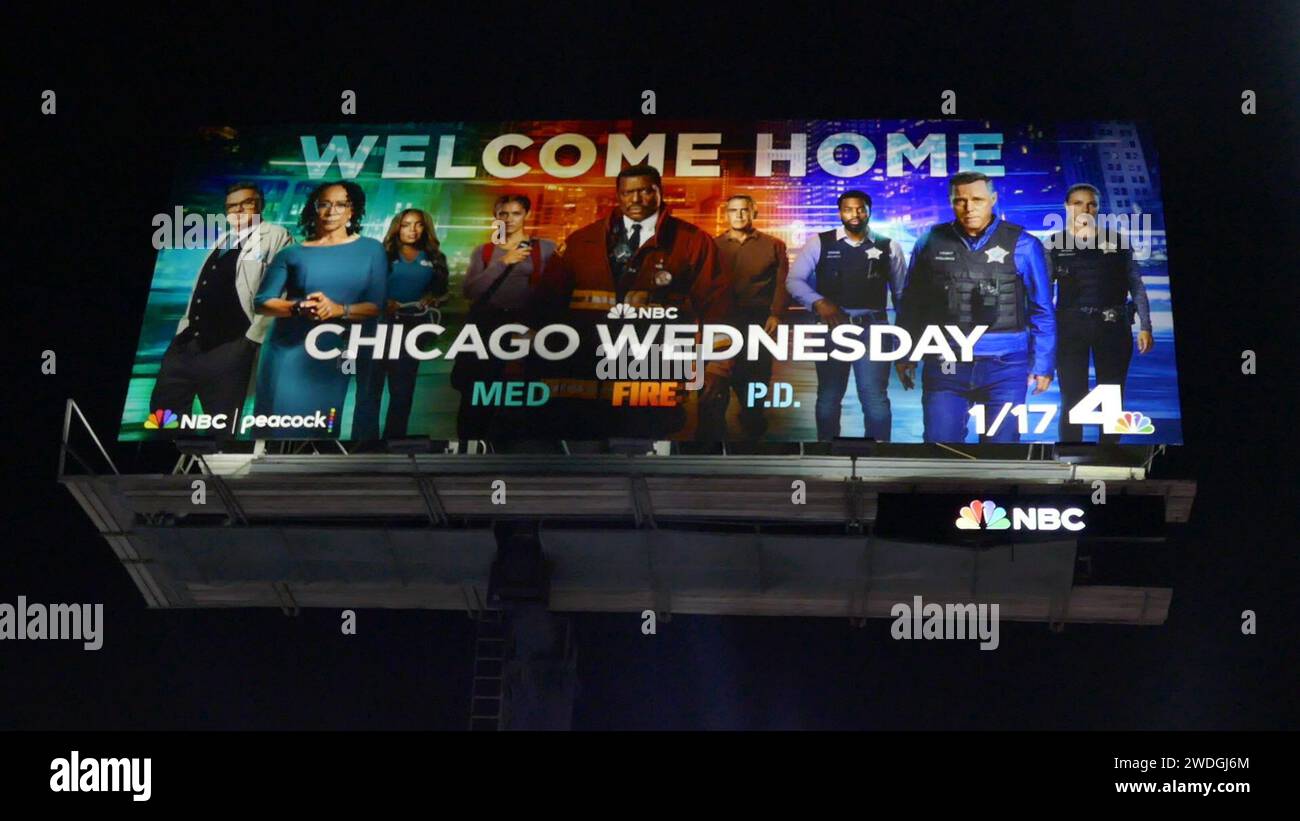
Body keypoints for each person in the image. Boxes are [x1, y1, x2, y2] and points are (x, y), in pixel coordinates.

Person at [534, 163, 732, 440]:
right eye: (628, 193)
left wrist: (717, 366)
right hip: (583, 380)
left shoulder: (692, 242)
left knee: (647, 458)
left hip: (652, 377)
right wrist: (524, 362)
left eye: (644, 192)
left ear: (660, 193)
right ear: (618, 195)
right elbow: (546, 306)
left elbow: (717, 307)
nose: (636, 200)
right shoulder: (582, 241)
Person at [896, 172, 1055, 443]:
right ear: (951, 202)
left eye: (977, 199)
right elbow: (912, 302)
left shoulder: (1024, 245)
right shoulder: (929, 242)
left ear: (992, 199)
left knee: (1001, 454)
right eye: (961, 200)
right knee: (940, 451)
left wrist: (1043, 364)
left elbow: (1042, 309)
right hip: (945, 360)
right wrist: (905, 353)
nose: (969, 208)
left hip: (1006, 366)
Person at [149, 182, 292, 431]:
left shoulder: (276, 235)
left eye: (246, 203)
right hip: (188, 344)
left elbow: (287, 287)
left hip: (232, 345)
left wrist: (251, 339)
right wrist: (182, 331)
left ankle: (214, 464)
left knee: (222, 422)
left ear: (260, 206)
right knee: (163, 413)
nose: (238, 210)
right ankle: (177, 457)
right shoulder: (224, 239)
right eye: (231, 206)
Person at [253, 181, 386, 438]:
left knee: (320, 430)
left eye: (340, 204)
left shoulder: (372, 250)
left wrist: (339, 310)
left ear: (352, 210)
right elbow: (262, 302)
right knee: (273, 429)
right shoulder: (291, 252)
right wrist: (298, 307)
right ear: (314, 208)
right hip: (286, 351)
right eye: (324, 203)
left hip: (332, 353)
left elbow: (375, 306)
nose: (331, 210)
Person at [787, 190, 907, 441]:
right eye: (848, 209)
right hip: (831, 329)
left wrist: (904, 346)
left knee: (874, 397)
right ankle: (826, 454)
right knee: (829, 396)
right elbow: (794, 280)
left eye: (861, 208)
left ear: (870, 211)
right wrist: (818, 302)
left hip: (874, 330)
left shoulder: (888, 246)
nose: (855, 214)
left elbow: (901, 296)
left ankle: (879, 457)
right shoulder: (820, 242)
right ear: (840, 212)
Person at [1049, 183, 1154, 443]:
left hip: (1113, 327)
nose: (1085, 209)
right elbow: (1040, 293)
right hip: (1070, 328)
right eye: (1078, 203)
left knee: (1112, 396)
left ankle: (1109, 456)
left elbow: (1136, 285)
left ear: (1098, 207)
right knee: (1072, 396)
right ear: (1067, 207)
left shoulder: (1117, 241)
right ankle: (1069, 456)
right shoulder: (1052, 243)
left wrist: (1146, 326)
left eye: (1091, 204)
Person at [454, 194, 557, 439]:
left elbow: (553, 292)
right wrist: (503, 262)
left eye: (516, 213)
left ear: (527, 215)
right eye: (503, 214)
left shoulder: (544, 248)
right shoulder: (485, 251)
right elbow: (470, 290)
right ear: (496, 217)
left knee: (523, 393)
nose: (509, 219)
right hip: (487, 326)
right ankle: (470, 444)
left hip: (525, 326)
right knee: (477, 391)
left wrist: (538, 327)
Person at [352, 209, 449, 441]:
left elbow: (444, 294)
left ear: (425, 228)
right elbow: (359, 288)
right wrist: (382, 301)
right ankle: (362, 447)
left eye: (418, 225)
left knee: (402, 393)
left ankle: (394, 445)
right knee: (368, 392)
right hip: (376, 328)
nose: (412, 230)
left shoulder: (435, 257)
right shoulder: (381, 254)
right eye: (406, 225)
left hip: (411, 331)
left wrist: (432, 299)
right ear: (397, 227)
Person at [699, 194, 790, 441]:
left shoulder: (773, 245)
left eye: (744, 210)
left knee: (755, 379)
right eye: (733, 210)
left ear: (754, 213)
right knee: (714, 385)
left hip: (757, 320)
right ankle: (711, 445)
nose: (739, 215)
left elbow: (783, 284)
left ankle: (753, 431)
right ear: (726, 214)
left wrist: (776, 314)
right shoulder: (712, 245)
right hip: (721, 321)